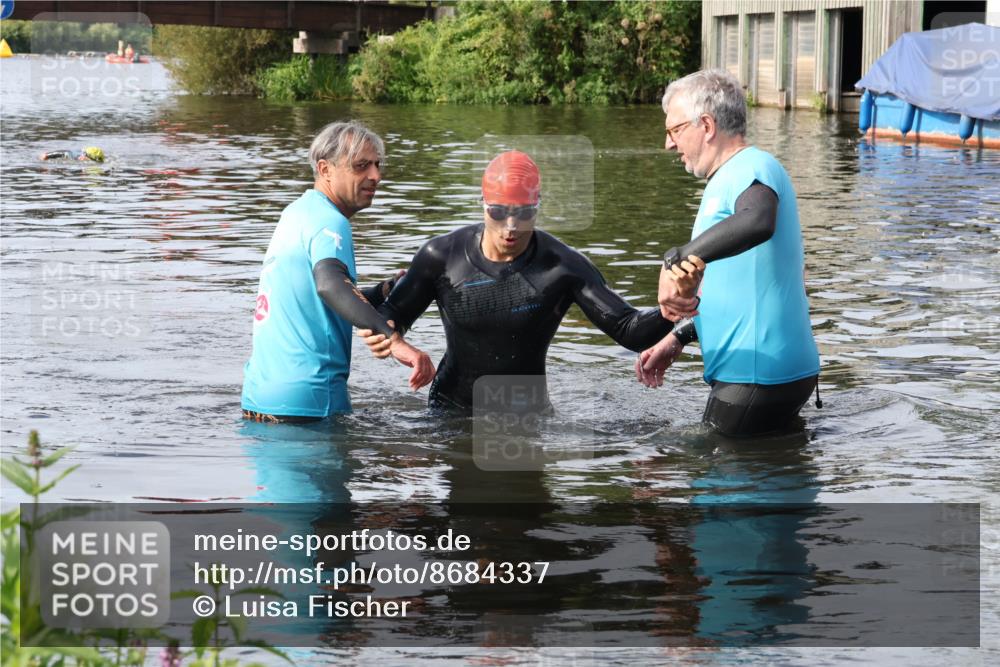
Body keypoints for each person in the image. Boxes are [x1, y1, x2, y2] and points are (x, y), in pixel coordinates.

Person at [359, 150, 701, 410]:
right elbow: (390, 316)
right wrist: (397, 342)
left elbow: (629, 330)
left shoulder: (563, 266)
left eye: (523, 214)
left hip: (526, 417)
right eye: (499, 212)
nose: (511, 226)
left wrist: (670, 309)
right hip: (449, 410)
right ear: (483, 205)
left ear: (537, 207)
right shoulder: (441, 256)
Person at [638, 69, 820, 438]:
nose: (669, 144)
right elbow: (740, 286)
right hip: (764, 373)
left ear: (705, 125)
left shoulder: (752, 166)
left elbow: (758, 221)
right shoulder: (730, 178)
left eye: (674, 130)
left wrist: (675, 260)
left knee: (701, 479)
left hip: (756, 377)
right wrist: (680, 336)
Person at [241, 120, 434, 423]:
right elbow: (331, 286)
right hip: (310, 406)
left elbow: (321, 301)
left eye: (377, 165)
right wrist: (394, 340)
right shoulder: (331, 223)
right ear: (325, 168)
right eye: (361, 166)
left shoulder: (297, 213)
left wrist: (383, 290)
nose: (376, 176)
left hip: (260, 402)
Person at [40, 146, 104, 162]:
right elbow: (44, 155)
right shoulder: (68, 154)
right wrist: (46, 156)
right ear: (83, 155)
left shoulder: (99, 157)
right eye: (86, 158)